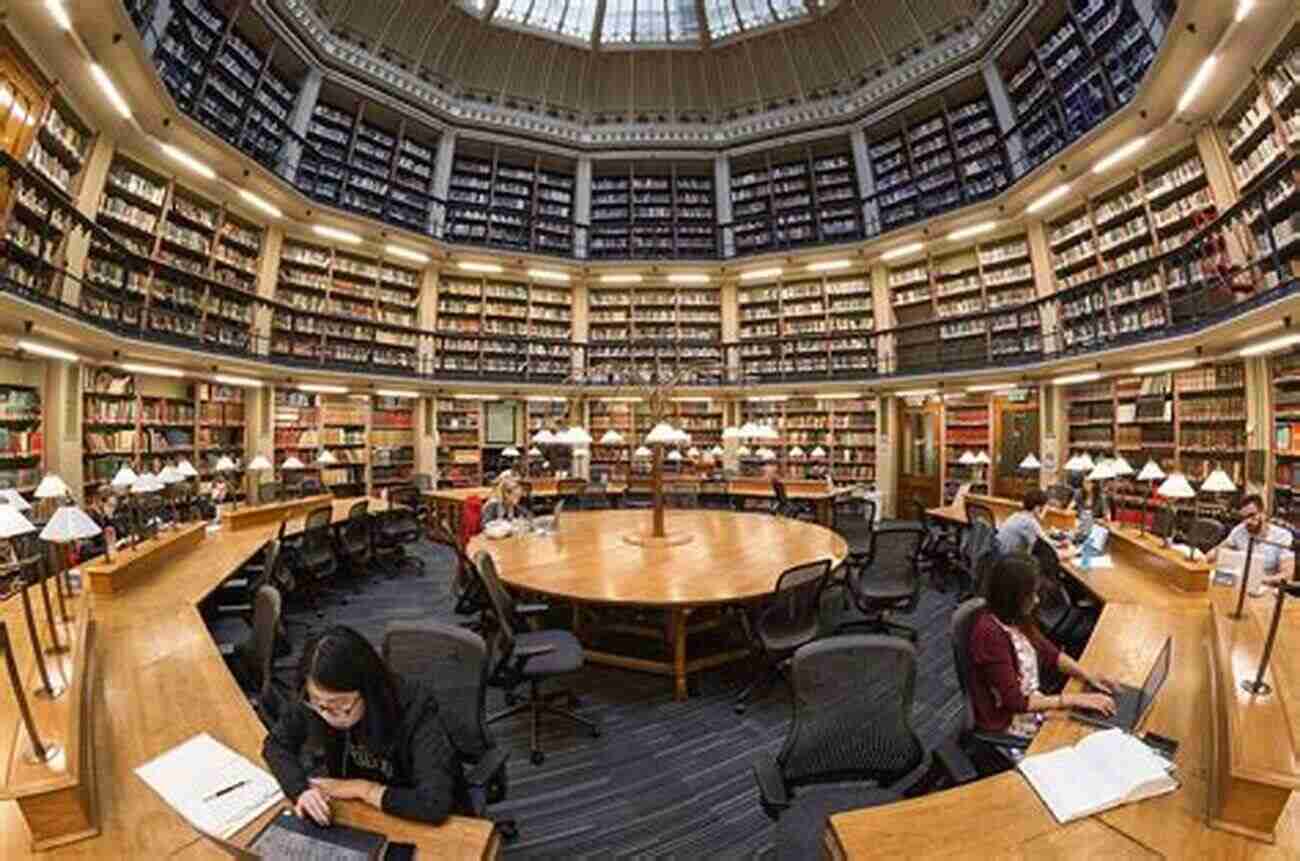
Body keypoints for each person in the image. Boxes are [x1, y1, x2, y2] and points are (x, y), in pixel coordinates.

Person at [262, 626, 461, 826]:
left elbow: (434, 804)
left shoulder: (416, 710)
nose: (327, 715)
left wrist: (363, 789)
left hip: (415, 814)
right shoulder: (314, 699)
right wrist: (301, 791)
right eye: (318, 704)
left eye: (340, 705)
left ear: (368, 690)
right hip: (361, 811)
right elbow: (276, 745)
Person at [968, 554, 1116, 738]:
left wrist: (1087, 675)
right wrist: (1075, 699)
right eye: (1031, 594)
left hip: (1033, 704)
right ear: (1012, 596)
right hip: (1009, 721)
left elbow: (1049, 653)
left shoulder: (1016, 617)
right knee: (1080, 735)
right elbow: (1015, 702)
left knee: (1092, 726)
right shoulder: (989, 635)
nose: (1037, 600)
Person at [1204, 494, 1295, 586]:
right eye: (1244, 517)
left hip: (1266, 588)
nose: (1247, 521)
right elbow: (1217, 551)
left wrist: (1262, 580)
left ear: (1263, 513)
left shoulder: (1282, 536)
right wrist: (1202, 558)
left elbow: (1287, 575)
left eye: (1252, 515)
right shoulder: (1239, 530)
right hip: (1240, 585)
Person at [995, 489, 1063, 557]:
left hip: (998, 556)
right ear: (1037, 508)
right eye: (1044, 507)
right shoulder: (1030, 522)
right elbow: (1048, 546)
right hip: (1008, 561)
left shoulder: (1016, 515)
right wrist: (1064, 547)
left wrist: (1058, 543)